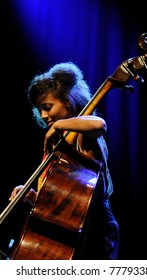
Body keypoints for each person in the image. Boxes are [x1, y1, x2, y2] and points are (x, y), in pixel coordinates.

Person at [9, 61, 119, 260]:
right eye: (39, 110)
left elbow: (99, 124)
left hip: (96, 228)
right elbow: (65, 205)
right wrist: (32, 196)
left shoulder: (83, 133)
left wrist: (59, 124)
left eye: (47, 107)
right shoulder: (60, 145)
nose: (43, 115)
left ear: (67, 101)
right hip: (74, 228)